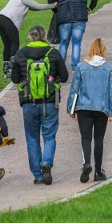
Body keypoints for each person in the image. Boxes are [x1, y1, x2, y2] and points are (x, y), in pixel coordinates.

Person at [10, 25, 69, 185]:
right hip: (49, 102)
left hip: (28, 103)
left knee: (32, 139)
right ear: (44, 36)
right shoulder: (53, 53)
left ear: (30, 37)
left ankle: (38, 175)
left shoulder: (21, 53)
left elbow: (15, 78)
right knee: (49, 136)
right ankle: (46, 163)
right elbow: (64, 77)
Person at [67, 38, 112, 183]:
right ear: (103, 51)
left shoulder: (81, 67)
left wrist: (71, 108)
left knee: (86, 137)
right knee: (99, 139)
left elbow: (74, 90)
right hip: (102, 108)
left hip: (83, 107)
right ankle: (98, 171)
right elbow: (111, 92)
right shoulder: (109, 68)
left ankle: (86, 163)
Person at [0, 0, 56, 78]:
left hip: (0, 18)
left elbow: (35, 8)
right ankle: (11, 69)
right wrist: (53, 5)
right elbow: (39, 6)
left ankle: (6, 69)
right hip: (9, 20)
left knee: (7, 45)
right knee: (14, 43)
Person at [47, 0, 98, 71]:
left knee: (63, 43)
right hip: (79, 19)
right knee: (76, 43)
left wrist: (57, 11)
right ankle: (75, 66)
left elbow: (50, 0)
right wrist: (90, 8)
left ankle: (60, 67)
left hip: (64, 20)